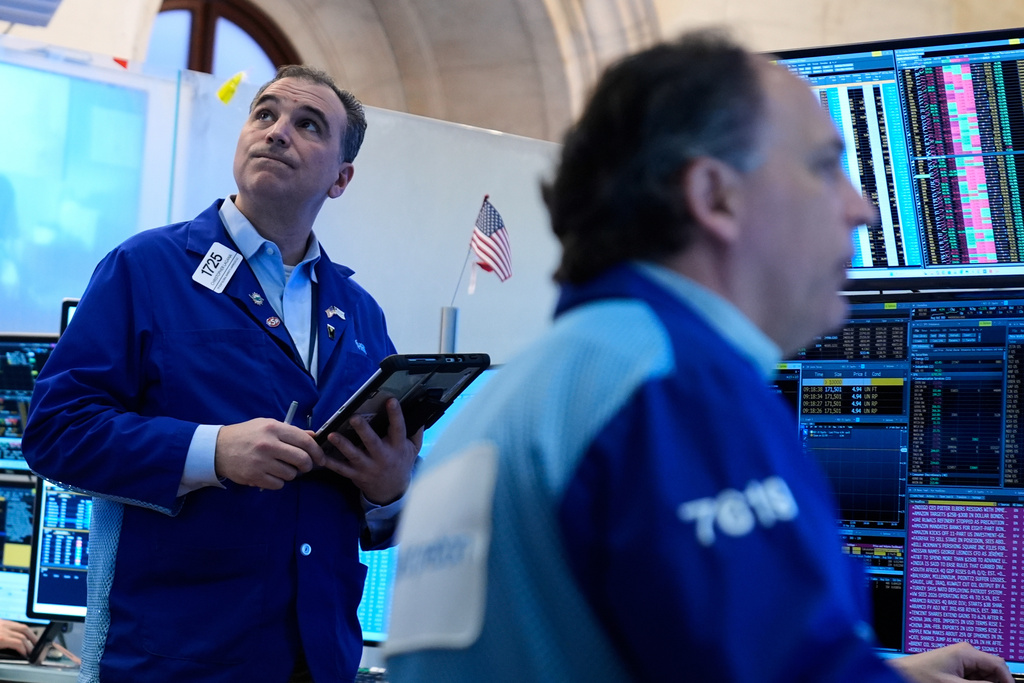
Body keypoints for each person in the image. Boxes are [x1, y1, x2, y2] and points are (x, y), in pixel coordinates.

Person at [382, 32, 1015, 683]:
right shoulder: (674, 391)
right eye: (826, 166)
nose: (864, 210)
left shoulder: (517, 404)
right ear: (715, 195)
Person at [23, 65, 420, 682]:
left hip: (319, 661)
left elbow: (382, 509)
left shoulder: (360, 313)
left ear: (341, 178)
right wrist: (212, 450)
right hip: (178, 660)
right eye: (265, 114)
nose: (277, 132)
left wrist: (391, 486)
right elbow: (54, 431)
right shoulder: (145, 268)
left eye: (308, 124)